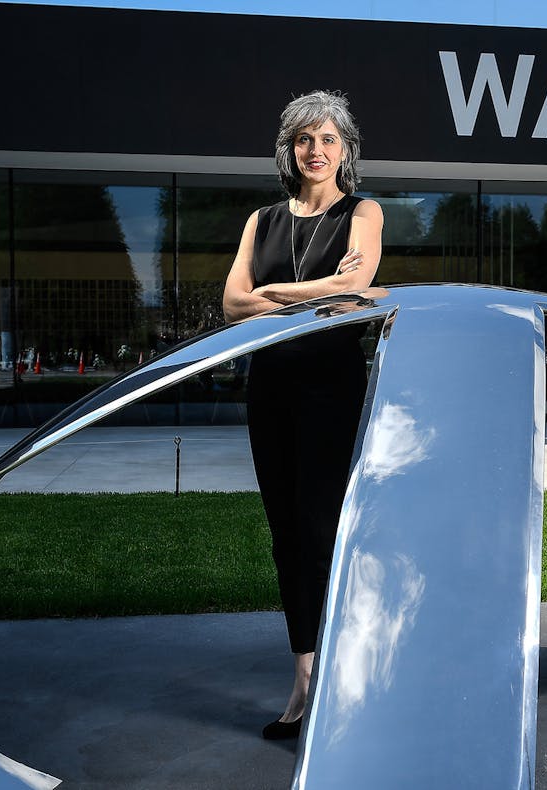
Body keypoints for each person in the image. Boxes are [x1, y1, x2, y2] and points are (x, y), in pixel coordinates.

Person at [221, 90, 384, 740]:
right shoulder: (261, 220)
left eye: (327, 139)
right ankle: (305, 681)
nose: (315, 151)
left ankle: (348, 683)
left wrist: (277, 292)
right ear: (289, 149)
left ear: (345, 149)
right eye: (303, 140)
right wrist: (315, 297)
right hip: (272, 390)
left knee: (323, 535)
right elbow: (232, 304)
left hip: (332, 389)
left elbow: (358, 286)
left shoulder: (362, 211)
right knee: (286, 536)